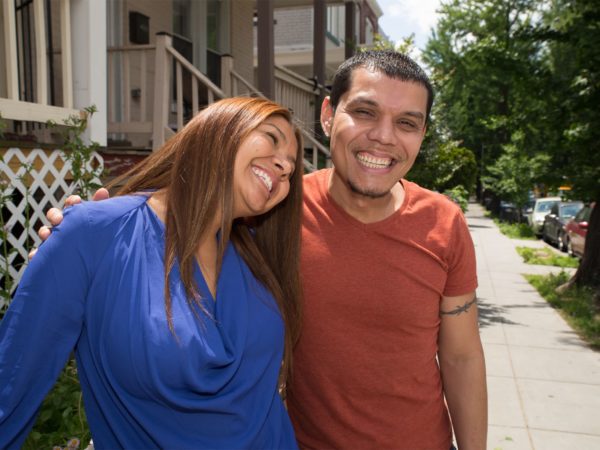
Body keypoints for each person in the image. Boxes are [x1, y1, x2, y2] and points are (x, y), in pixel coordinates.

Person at [35, 50, 488, 449]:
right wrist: (85, 244)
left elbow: (461, 355)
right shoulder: (271, 209)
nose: (384, 137)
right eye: (365, 112)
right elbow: (169, 232)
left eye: (407, 123)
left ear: (422, 134)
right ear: (329, 114)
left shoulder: (444, 223)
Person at [0, 97, 304, 449]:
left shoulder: (254, 257)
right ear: (218, 130)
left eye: (292, 169)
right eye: (271, 137)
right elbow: (11, 387)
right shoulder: (96, 235)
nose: (283, 166)